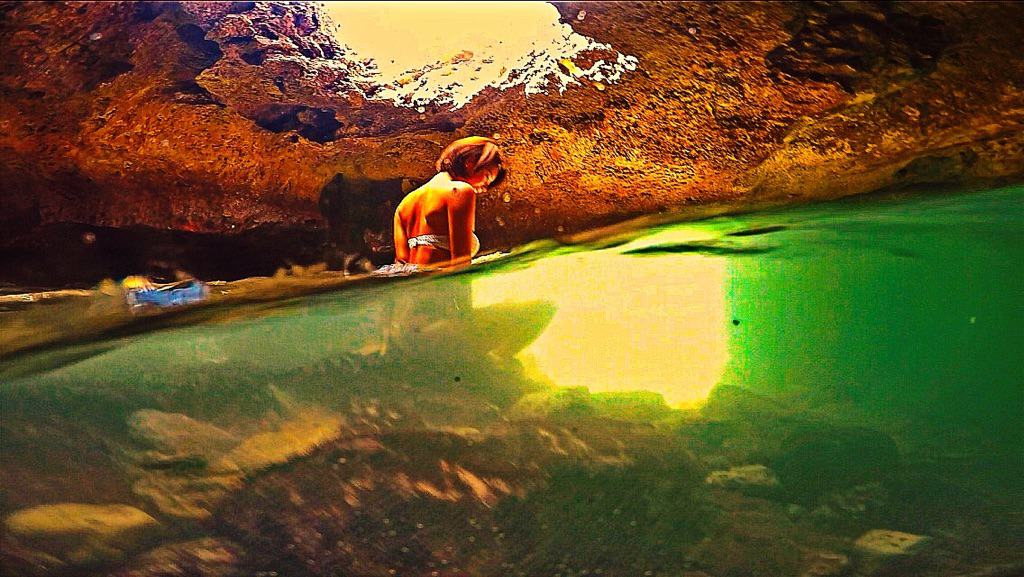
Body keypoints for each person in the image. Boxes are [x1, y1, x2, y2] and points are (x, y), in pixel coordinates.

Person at [388, 136, 505, 272]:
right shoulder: (459, 190)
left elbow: (401, 264)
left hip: (413, 287)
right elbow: (461, 262)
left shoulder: (404, 205)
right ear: (470, 162)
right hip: (442, 287)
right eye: (487, 177)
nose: (485, 188)